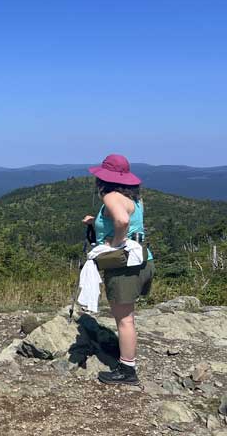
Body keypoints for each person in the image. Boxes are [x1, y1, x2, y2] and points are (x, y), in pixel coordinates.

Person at [82, 154, 154, 385]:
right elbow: (129, 220)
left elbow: (122, 221)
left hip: (124, 266)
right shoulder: (135, 198)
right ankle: (127, 361)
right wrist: (97, 222)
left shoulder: (112, 196)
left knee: (124, 320)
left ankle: (127, 370)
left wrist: (114, 244)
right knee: (128, 317)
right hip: (143, 260)